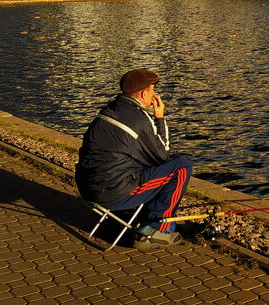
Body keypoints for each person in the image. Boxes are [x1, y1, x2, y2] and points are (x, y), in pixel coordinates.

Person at [75, 69, 192, 247]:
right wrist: (159, 118)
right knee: (181, 167)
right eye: (152, 90)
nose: (154, 95)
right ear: (144, 93)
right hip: (114, 192)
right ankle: (157, 229)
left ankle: (123, 217)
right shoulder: (139, 118)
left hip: (87, 188)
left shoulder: (108, 111)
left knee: (141, 165)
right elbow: (162, 154)